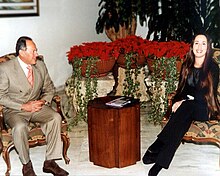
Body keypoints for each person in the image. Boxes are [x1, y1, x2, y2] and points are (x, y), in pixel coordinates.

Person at [142, 34, 219, 176]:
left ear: (208, 47)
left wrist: (184, 101)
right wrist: (180, 100)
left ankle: (158, 144)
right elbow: (182, 89)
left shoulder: (212, 67)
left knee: (186, 107)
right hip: (189, 108)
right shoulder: (186, 65)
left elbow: (206, 94)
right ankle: (160, 163)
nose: (200, 47)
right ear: (192, 45)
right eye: (197, 43)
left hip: (206, 108)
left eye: (203, 44)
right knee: (181, 123)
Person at [0, 36, 69, 176]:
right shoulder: (5, 69)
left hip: (37, 106)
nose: (36, 54)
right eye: (33, 51)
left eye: (36, 51)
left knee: (55, 117)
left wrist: (42, 101)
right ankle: (26, 165)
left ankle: (50, 162)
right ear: (22, 52)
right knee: (19, 127)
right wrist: (23, 106)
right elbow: (1, 96)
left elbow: (50, 88)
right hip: (15, 110)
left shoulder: (40, 65)